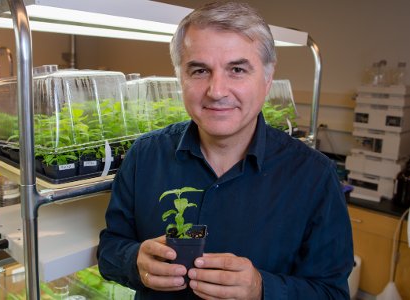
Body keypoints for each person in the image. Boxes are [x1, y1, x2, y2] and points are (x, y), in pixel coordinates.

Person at [97, 2, 354, 299]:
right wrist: (134, 261)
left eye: (237, 69)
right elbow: (110, 249)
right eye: (199, 70)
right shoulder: (145, 156)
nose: (217, 91)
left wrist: (261, 288)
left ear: (267, 79)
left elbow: (332, 293)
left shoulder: (314, 176)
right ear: (181, 78)